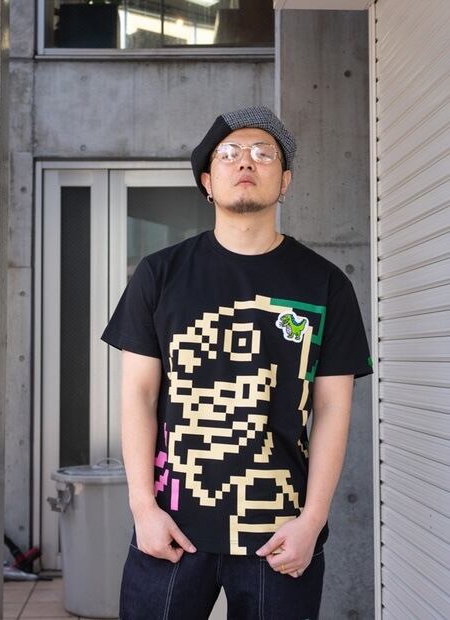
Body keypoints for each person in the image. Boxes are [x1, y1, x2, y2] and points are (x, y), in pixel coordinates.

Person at [101, 106, 373, 619]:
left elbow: (333, 409)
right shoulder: (159, 274)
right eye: (228, 154)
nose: (245, 161)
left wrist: (312, 520)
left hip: (279, 529)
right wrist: (142, 508)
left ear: (285, 181)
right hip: (172, 524)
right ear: (207, 182)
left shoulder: (326, 285)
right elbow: (139, 394)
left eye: (263, 153)